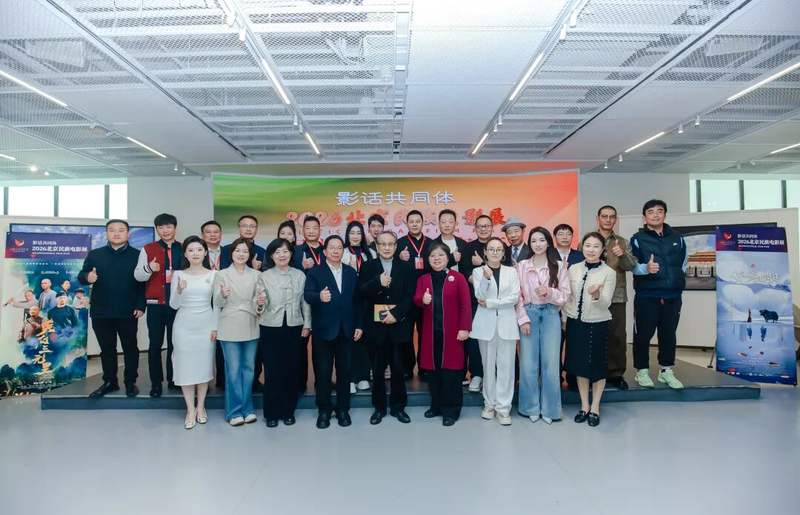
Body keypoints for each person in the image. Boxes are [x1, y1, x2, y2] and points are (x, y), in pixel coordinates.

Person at [78, 219, 145, 398]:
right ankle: (110, 382)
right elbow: (81, 276)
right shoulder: (95, 254)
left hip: (128, 310)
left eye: (121, 230)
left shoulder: (138, 255)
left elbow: (142, 283)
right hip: (101, 310)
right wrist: (88, 277)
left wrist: (140, 305)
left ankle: (130, 382)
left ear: (128, 234)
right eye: (112, 230)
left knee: (130, 348)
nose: (116, 233)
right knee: (107, 349)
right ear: (106, 233)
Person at [304, 235, 363, 428]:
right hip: (324, 331)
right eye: (332, 247)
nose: (336, 251)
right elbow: (307, 295)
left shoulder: (351, 272)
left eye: (339, 248)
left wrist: (359, 325)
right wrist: (319, 296)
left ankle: (343, 409)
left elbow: (358, 301)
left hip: (347, 330)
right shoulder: (315, 272)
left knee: (345, 372)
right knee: (323, 373)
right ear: (325, 251)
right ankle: (324, 410)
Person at [358, 231, 415, 425]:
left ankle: (399, 407)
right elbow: (361, 292)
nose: (387, 247)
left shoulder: (406, 267)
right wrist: (378, 282)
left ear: (396, 246)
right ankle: (379, 408)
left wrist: (396, 314)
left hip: (398, 326)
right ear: (377, 246)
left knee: (398, 369)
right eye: (383, 244)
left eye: (390, 244)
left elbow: (410, 296)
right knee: (378, 370)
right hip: (375, 328)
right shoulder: (368, 266)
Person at [630, 199, 687, 390]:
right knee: (642, 335)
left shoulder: (677, 237)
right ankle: (641, 371)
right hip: (647, 295)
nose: (655, 215)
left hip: (672, 296)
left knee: (668, 334)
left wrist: (676, 281)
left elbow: (683, 263)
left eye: (659, 211)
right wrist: (645, 269)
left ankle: (666, 371)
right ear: (644, 217)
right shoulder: (637, 239)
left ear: (665, 214)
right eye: (651, 212)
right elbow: (631, 266)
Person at [516, 226, 570, 424]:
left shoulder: (559, 265)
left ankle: (550, 409)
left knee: (551, 363)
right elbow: (517, 296)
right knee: (528, 364)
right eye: (533, 241)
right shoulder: (521, 265)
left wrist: (549, 292)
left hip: (550, 314)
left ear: (548, 242)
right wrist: (523, 319)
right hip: (529, 313)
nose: (537, 244)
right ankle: (530, 407)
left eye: (541, 240)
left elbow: (565, 295)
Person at [414, 243, 472, 426]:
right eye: (433, 256)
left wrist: (465, 328)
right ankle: (436, 406)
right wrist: (422, 300)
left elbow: (465, 305)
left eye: (440, 255)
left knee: (451, 374)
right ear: (428, 259)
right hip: (431, 334)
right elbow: (416, 299)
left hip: (453, 334)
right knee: (433, 373)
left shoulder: (458, 278)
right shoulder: (423, 279)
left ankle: (451, 411)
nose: (436, 259)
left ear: (448, 258)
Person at [564, 233, 617, 427]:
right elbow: (568, 297)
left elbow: (606, 303)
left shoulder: (609, 272)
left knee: (597, 366)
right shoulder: (573, 268)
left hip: (597, 323)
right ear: (582, 248)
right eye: (587, 245)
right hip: (575, 323)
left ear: (602, 250)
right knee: (580, 365)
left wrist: (596, 295)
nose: (591, 250)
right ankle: (584, 405)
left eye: (596, 246)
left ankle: (595, 407)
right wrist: (565, 317)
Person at [258, 238, 311, 427]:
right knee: (272, 370)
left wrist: (307, 324)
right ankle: (271, 413)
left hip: (295, 326)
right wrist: (260, 304)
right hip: (270, 326)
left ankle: (288, 411)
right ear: (271, 255)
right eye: (277, 252)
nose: (282, 255)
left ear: (291, 254)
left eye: (286, 251)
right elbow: (259, 304)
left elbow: (305, 302)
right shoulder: (264, 276)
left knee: (291, 369)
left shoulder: (299, 275)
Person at [213, 238, 265, 427]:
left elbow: (260, 301)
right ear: (231, 253)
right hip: (229, 324)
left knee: (249, 369)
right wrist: (222, 295)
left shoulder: (257, 275)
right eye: (237, 251)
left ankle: (248, 408)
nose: (241, 254)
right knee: (233, 370)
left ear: (249, 254)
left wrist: (260, 303)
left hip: (250, 323)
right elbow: (216, 302)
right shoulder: (221, 274)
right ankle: (234, 411)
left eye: (245, 251)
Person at [470, 237, 520, 426]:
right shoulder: (478, 271)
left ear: (503, 253)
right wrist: (486, 278)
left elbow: (514, 298)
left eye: (499, 249)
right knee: (488, 367)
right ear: (485, 252)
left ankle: (503, 408)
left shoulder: (511, 272)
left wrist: (491, 303)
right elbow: (479, 295)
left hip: (507, 324)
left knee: (506, 368)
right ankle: (489, 404)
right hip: (485, 326)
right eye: (491, 249)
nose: (495, 252)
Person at [169, 235, 217, 430]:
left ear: (205, 252)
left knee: (203, 366)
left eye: (199, 249)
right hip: (184, 326)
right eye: (190, 250)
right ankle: (190, 409)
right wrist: (179, 291)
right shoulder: (178, 275)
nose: (195, 253)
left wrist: (215, 327)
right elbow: (173, 305)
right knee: (186, 367)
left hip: (206, 324)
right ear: (185, 254)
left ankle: (201, 407)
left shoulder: (213, 274)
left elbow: (218, 305)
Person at [134, 213, 183, 397]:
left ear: (175, 228)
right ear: (157, 229)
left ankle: (174, 379)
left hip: (178, 305)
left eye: (169, 226)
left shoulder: (184, 248)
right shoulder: (148, 249)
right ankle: (156, 383)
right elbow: (138, 276)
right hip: (156, 305)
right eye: (161, 227)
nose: (165, 230)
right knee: (154, 345)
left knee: (175, 344)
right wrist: (149, 268)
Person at [596, 205, 636, 390]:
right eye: (604, 216)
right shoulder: (589, 239)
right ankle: (595, 373)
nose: (608, 219)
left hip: (616, 296)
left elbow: (631, 266)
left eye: (611, 217)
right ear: (598, 218)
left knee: (617, 336)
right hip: (593, 295)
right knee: (595, 335)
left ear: (615, 219)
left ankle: (616, 374)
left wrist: (623, 255)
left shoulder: (622, 242)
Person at [458, 214, 496, 393]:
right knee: (474, 339)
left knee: (495, 338)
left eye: (487, 226)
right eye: (480, 226)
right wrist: (480, 278)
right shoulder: (468, 248)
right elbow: (467, 274)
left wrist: (482, 264)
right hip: (475, 301)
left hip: (497, 301)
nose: (483, 229)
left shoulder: (498, 246)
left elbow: (502, 271)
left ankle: (494, 374)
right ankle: (477, 374)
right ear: (475, 229)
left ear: (492, 227)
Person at [292, 215, 325, 393]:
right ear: (302, 230)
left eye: (315, 228)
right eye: (308, 228)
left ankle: (322, 382)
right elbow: (289, 274)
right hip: (301, 304)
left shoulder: (327, 250)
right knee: (300, 346)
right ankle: (300, 382)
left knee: (322, 347)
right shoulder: (295, 251)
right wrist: (302, 267)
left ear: (320, 230)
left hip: (324, 303)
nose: (311, 231)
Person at [342, 220, 375, 393]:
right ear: (347, 235)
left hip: (367, 300)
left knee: (365, 339)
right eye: (352, 233)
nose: (355, 236)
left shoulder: (370, 253)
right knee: (349, 339)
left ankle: (363, 376)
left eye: (358, 233)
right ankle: (349, 378)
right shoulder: (342, 252)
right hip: (348, 300)